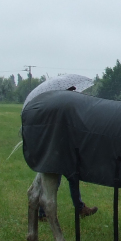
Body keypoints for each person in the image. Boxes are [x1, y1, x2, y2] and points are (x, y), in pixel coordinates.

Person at [32, 80, 98, 221]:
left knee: (71, 179)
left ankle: (79, 208)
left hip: (66, 151)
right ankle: (44, 213)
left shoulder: (67, 108)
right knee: (52, 182)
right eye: (71, 91)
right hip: (56, 151)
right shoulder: (56, 109)